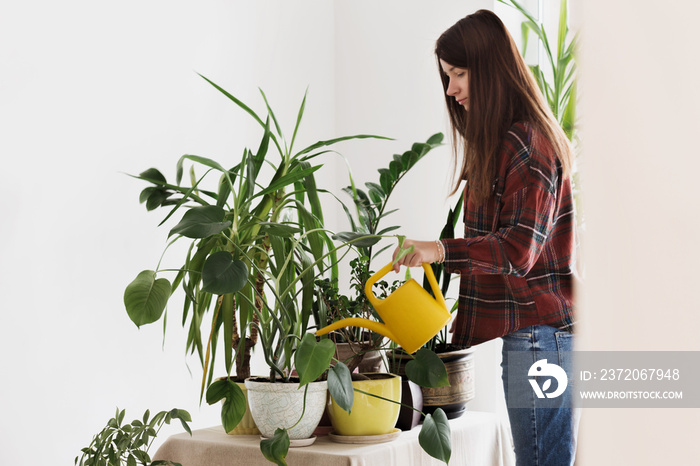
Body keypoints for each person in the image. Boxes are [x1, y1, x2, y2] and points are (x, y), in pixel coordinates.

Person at [391, 9, 579, 466]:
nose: (451, 89)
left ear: (491, 69)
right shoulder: (506, 142)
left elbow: (518, 250)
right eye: (447, 76)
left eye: (459, 73)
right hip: (534, 337)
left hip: (539, 339)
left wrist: (438, 250)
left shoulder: (528, 144)